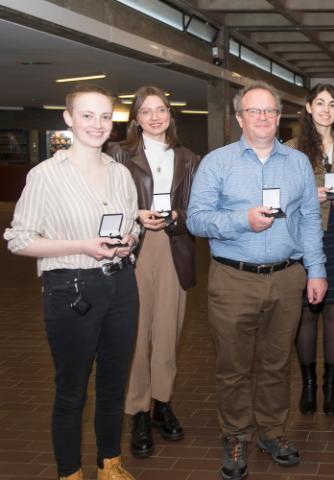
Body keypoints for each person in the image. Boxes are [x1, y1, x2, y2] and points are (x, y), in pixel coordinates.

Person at [187, 82, 327, 480]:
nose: (262, 117)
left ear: (278, 117)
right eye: (254, 111)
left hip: (287, 278)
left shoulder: (298, 163)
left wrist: (316, 270)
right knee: (232, 367)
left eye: (269, 111)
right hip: (234, 279)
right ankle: (235, 434)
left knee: (276, 363)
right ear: (239, 118)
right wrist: (240, 220)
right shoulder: (217, 162)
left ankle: (272, 431)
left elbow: (310, 221)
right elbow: (197, 218)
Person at [4, 85, 140, 480]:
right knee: (72, 392)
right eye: (87, 115)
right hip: (71, 289)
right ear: (68, 118)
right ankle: (69, 473)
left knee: (114, 385)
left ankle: (110, 464)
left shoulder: (120, 173)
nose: (97, 125)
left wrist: (129, 239)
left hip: (121, 286)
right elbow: (19, 239)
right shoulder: (46, 175)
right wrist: (83, 245)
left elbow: (129, 224)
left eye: (104, 116)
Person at [107, 86, 199, 458]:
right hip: (135, 247)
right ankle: (138, 411)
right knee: (136, 333)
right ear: (136, 118)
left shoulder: (189, 158)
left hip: (174, 248)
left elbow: (198, 212)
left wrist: (177, 216)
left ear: (170, 115)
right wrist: (134, 216)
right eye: (147, 111)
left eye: (161, 110)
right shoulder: (119, 155)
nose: (155, 117)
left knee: (167, 331)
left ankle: (162, 402)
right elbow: (107, 203)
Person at [284, 84, 334, 416]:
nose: (326, 109)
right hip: (306, 234)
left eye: (332, 104)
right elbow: (280, 194)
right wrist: (305, 196)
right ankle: (309, 384)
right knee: (306, 310)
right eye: (320, 103)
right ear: (308, 106)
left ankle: (331, 385)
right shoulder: (290, 148)